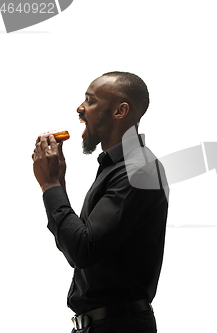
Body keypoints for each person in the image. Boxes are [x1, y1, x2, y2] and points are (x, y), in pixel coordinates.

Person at [32, 72, 169, 333]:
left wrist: (49, 185)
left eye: (90, 101)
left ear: (120, 111)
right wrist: (58, 184)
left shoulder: (138, 170)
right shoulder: (116, 168)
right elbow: (78, 250)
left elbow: (83, 249)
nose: (80, 108)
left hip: (120, 327)